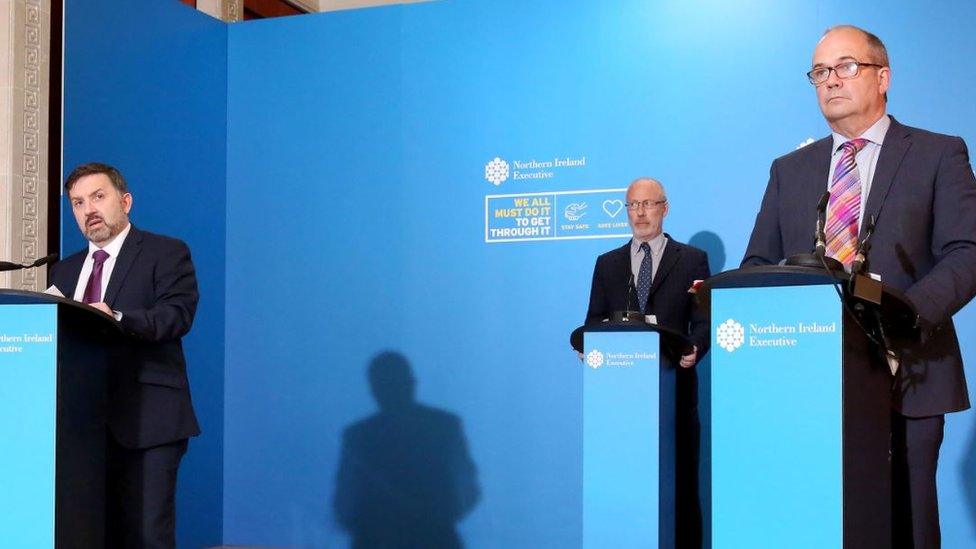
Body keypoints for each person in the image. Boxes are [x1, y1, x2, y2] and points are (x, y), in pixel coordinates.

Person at [742, 25, 976, 548]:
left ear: (883, 76)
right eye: (820, 72)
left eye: (846, 67)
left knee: (907, 524)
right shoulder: (789, 170)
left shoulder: (938, 154)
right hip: (809, 381)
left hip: (908, 374)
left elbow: (967, 252)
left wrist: (906, 312)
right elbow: (757, 261)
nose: (831, 81)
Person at [48, 162, 200, 548]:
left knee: (146, 536)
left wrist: (115, 316)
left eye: (98, 197)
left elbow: (176, 316)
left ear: (125, 201)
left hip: (148, 421)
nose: (88, 210)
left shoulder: (165, 253)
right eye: (78, 203)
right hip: (79, 428)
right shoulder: (65, 271)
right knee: (92, 534)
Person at [585, 177, 710, 548]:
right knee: (624, 483)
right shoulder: (607, 264)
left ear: (664, 208)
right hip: (621, 400)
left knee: (681, 484)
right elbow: (593, 321)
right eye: (632, 205)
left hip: (674, 391)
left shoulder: (691, 259)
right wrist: (589, 347)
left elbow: (704, 320)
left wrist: (696, 348)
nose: (639, 213)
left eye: (648, 204)